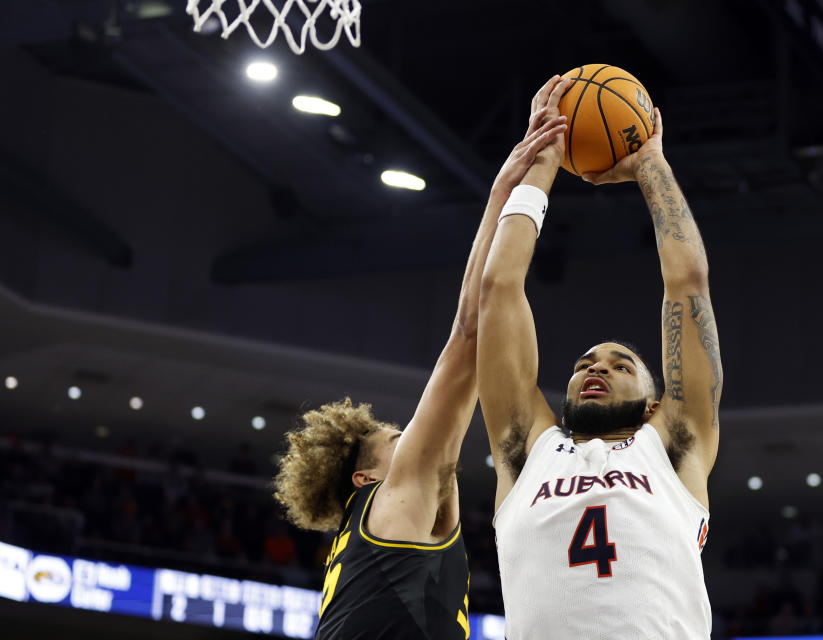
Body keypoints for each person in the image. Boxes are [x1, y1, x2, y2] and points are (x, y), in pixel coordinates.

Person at [272, 97, 568, 639]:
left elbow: (471, 332)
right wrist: (515, 187)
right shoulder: (394, 501)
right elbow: (470, 335)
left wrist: (506, 190)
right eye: (396, 439)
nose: (413, 436)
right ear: (367, 480)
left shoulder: (372, 542)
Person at [478, 75, 723, 638]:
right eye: (586, 362)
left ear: (655, 403)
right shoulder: (525, 450)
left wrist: (651, 163)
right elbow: (499, 292)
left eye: (621, 365)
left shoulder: (676, 444)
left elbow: (687, 284)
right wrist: (543, 161)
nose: (596, 368)